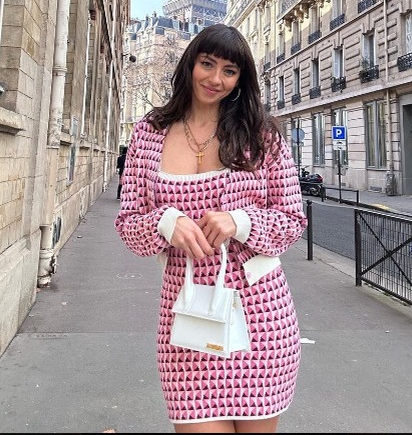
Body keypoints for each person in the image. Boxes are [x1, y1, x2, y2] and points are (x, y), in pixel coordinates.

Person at [114, 23, 307, 433]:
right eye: (207, 64)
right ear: (190, 64)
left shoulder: (261, 135)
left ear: (241, 80)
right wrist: (166, 221)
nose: (215, 79)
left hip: (261, 315)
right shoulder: (149, 132)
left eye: (229, 70)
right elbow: (129, 224)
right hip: (185, 314)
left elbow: (292, 221)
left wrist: (241, 221)